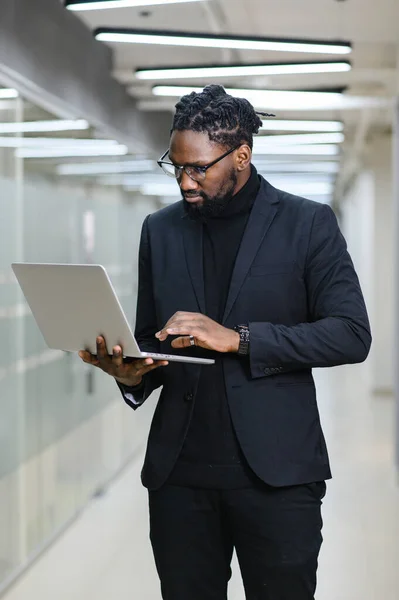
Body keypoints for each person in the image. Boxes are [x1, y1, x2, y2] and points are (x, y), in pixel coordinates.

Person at [79, 84, 371, 600]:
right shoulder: (161, 229)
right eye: (176, 166)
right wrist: (132, 373)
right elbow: (154, 335)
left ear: (242, 155)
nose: (186, 181)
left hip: (277, 476)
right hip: (181, 476)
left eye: (199, 168)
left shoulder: (308, 224)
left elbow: (350, 334)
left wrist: (238, 339)